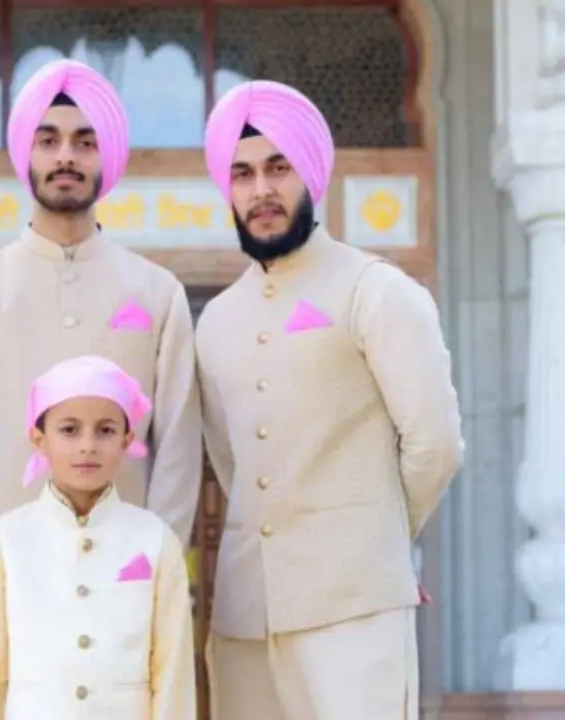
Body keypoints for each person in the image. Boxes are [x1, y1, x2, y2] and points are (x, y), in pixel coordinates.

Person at [0, 59, 203, 720]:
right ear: (26, 155)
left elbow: (180, 450)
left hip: (123, 617)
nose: (66, 155)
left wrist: (142, 574)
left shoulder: (156, 294)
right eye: (49, 139)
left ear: (107, 156)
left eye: (84, 139)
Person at [196, 80, 464, 720]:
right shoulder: (216, 321)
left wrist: (374, 537)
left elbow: (436, 446)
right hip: (245, 617)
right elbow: (231, 464)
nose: (260, 190)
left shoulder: (377, 292)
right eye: (242, 173)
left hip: (356, 606)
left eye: (277, 167)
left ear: (310, 173)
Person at [0, 355, 197, 720]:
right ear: (39, 440)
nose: (88, 445)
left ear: (127, 439)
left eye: (105, 430)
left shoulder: (155, 539)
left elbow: (173, 669)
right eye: (69, 430)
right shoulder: (6, 541)